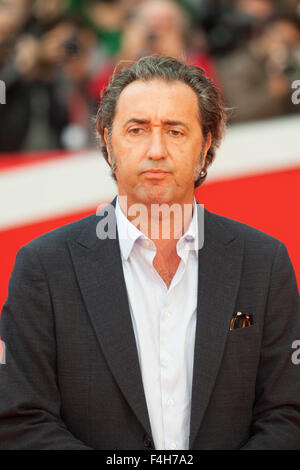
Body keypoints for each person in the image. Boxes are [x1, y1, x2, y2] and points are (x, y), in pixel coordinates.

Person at [0, 56, 300, 450]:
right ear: (108, 141)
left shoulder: (264, 262)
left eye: (175, 131)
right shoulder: (44, 266)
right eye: (137, 129)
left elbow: (286, 413)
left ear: (206, 144)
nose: (156, 150)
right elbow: (22, 418)